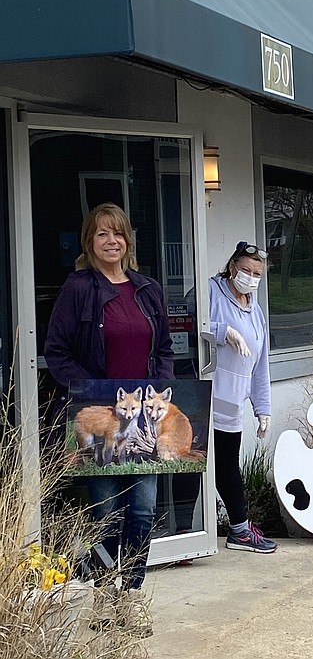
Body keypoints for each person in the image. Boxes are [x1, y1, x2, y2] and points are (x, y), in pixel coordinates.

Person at [45, 203, 174, 636]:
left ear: (127, 240)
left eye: (117, 233)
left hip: (144, 422)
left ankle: (131, 595)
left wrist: (162, 389)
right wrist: (89, 392)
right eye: (102, 234)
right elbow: (57, 352)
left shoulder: (148, 289)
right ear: (90, 242)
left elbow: (164, 350)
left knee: (142, 509)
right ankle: (103, 595)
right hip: (100, 419)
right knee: (107, 513)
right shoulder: (78, 288)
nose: (111, 241)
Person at [209, 241, 277, 553]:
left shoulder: (254, 310)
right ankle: (182, 534)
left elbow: (260, 363)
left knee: (226, 464)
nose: (250, 277)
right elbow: (182, 324)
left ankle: (239, 530)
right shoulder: (211, 291)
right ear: (233, 265)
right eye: (246, 270)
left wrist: (262, 407)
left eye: (256, 274)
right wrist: (224, 331)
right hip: (206, 394)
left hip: (232, 402)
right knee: (191, 464)